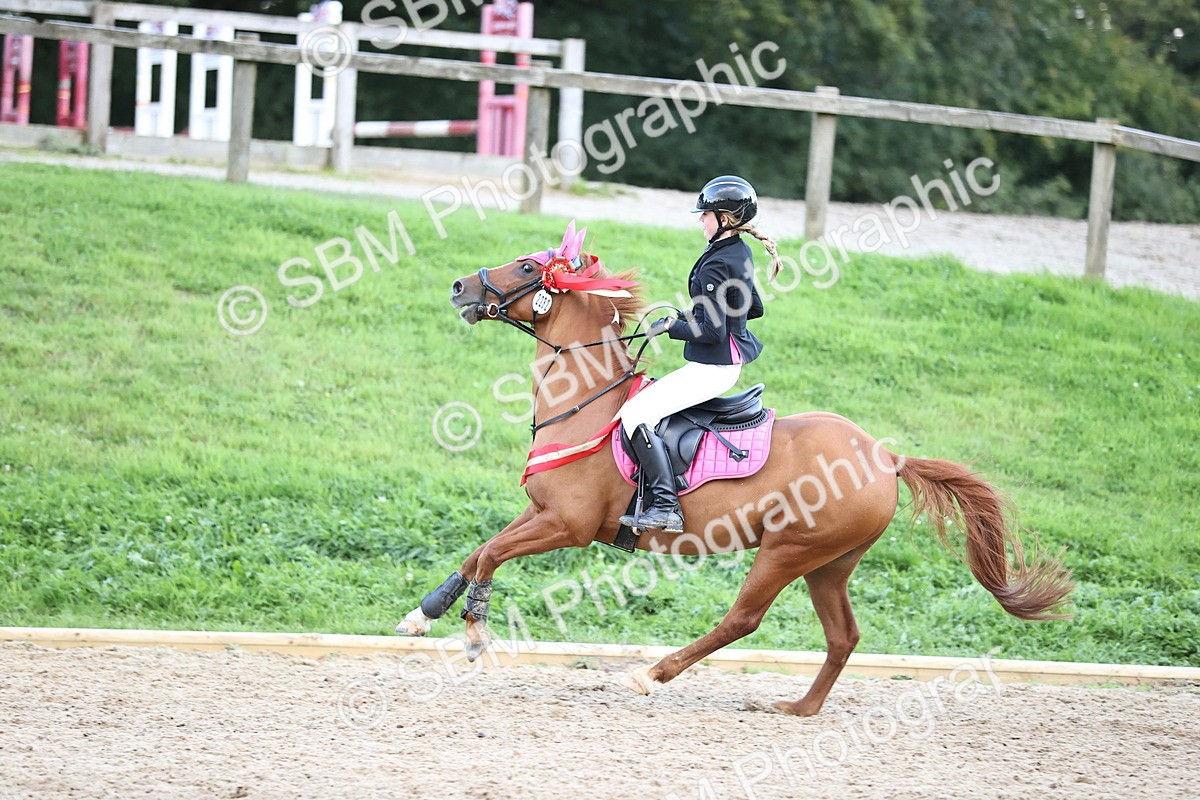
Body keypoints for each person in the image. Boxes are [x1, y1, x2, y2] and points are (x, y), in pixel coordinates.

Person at [618, 175, 782, 532]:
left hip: (714, 366)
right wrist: (704, 313)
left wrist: (672, 326)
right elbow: (752, 307)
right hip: (724, 360)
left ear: (725, 218)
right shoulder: (736, 250)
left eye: (706, 214)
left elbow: (711, 331)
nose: (700, 219)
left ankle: (665, 507)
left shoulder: (718, 262)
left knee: (635, 414)